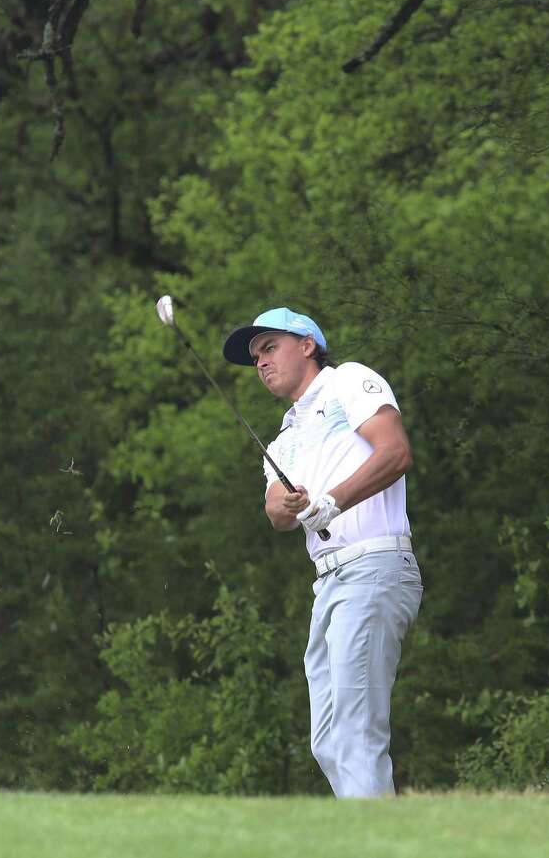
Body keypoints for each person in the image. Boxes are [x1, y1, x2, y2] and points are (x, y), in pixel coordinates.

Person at [223, 307, 423, 798]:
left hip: (375, 565)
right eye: (255, 358)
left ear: (307, 344)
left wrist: (332, 501)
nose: (261, 363)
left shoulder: (349, 382)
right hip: (330, 583)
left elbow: (395, 453)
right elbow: (276, 512)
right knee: (329, 740)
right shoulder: (282, 442)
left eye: (269, 347)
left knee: (355, 731)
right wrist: (288, 504)